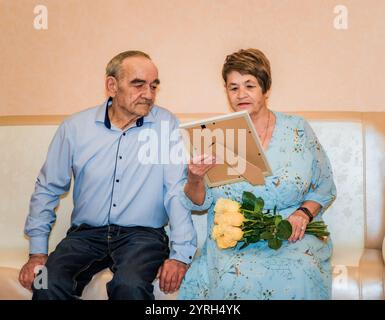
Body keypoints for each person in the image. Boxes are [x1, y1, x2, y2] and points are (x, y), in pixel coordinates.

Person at [18, 50, 197, 300]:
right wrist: (37, 253)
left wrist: (180, 255)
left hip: (143, 237)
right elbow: (47, 188)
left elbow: (176, 191)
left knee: (130, 287)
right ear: (112, 85)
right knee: (46, 283)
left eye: (153, 86)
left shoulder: (165, 125)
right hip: (85, 235)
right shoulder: (75, 128)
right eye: (138, 84)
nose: (148, 94)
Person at [178, 48, 336, 300]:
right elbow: (200, 202)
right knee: (237, 278)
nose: (241, 94)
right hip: (235, 240)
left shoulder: (297, 129)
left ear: (266, 88)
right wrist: (194, 177)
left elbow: (325, 186)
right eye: (233, 87)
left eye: (249, 85)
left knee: (298, 272)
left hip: (291, 237)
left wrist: (303, 213)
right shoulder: (216, 136)